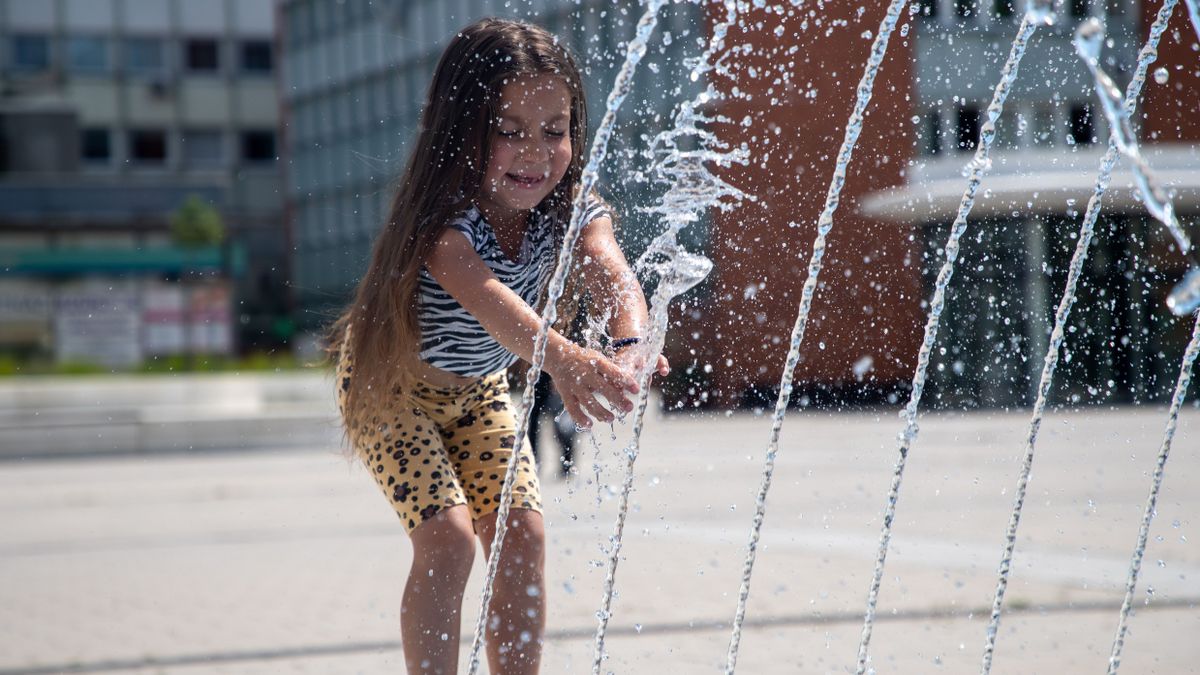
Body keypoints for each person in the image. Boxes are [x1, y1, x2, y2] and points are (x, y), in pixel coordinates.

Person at [325, 18, 668, 675]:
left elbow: (614, 273)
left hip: (479, 397)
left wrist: (630, 346)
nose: (535, 154)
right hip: (391, 393)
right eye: (509, 131)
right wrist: (568, 360)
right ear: (463, 130)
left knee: (522, 537)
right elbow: (497, 310)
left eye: (554, 130)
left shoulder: (568, 209)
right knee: (448, 540)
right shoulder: (447, 225)